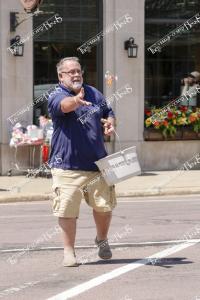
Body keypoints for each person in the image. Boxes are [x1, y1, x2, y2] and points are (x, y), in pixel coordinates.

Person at [48, 57, 116, 267]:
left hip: (97, 163)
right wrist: (76, 100)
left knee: (104, 207)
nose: (76, 75)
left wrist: (110, 124)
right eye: (71, 72)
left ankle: (101, 239)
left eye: (78, 71)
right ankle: (69, 252)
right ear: (61, 76)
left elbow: (108, 112)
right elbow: (64, 106)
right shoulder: (56, 94)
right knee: (67, 210)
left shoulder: (94, 92)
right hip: (67, 165)